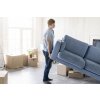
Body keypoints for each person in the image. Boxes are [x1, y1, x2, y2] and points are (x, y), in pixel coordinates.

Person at [43, 19, 55, 84]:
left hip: (49, 49)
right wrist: (50, 53)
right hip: (47, 50)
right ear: (50, 24)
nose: (54, 25)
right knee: (48, 65)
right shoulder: (48, 32)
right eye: (53, 24)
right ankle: (45, 79)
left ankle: (46, 77)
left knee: (49, 65)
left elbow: (52, 42)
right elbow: (48, 43)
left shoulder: (52, 31)